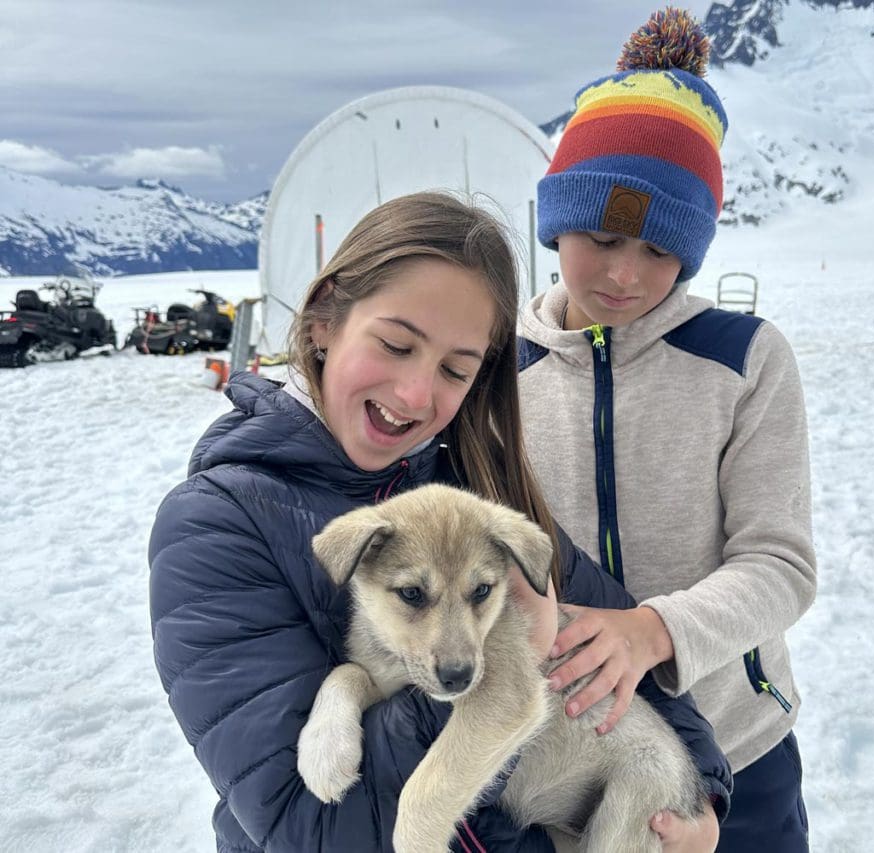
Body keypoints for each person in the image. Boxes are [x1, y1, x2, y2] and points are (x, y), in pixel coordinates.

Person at [148, 191, 730, 852]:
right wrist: (511, 656)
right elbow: (303, 824)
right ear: (322, 321)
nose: (415, 395)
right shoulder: (218, 527)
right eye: (397, 344)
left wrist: (700, 793)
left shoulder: (476, 491)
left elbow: (625, 644)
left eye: (456, 369)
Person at [516, 8, 817, 852]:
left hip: (742, 749)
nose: (623, 273)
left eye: (659, 250)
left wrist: (653, 631)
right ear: (555, 222)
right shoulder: (499, 378)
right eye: (601, 236)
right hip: (571, 757)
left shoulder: (745, 359)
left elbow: (780, 564)